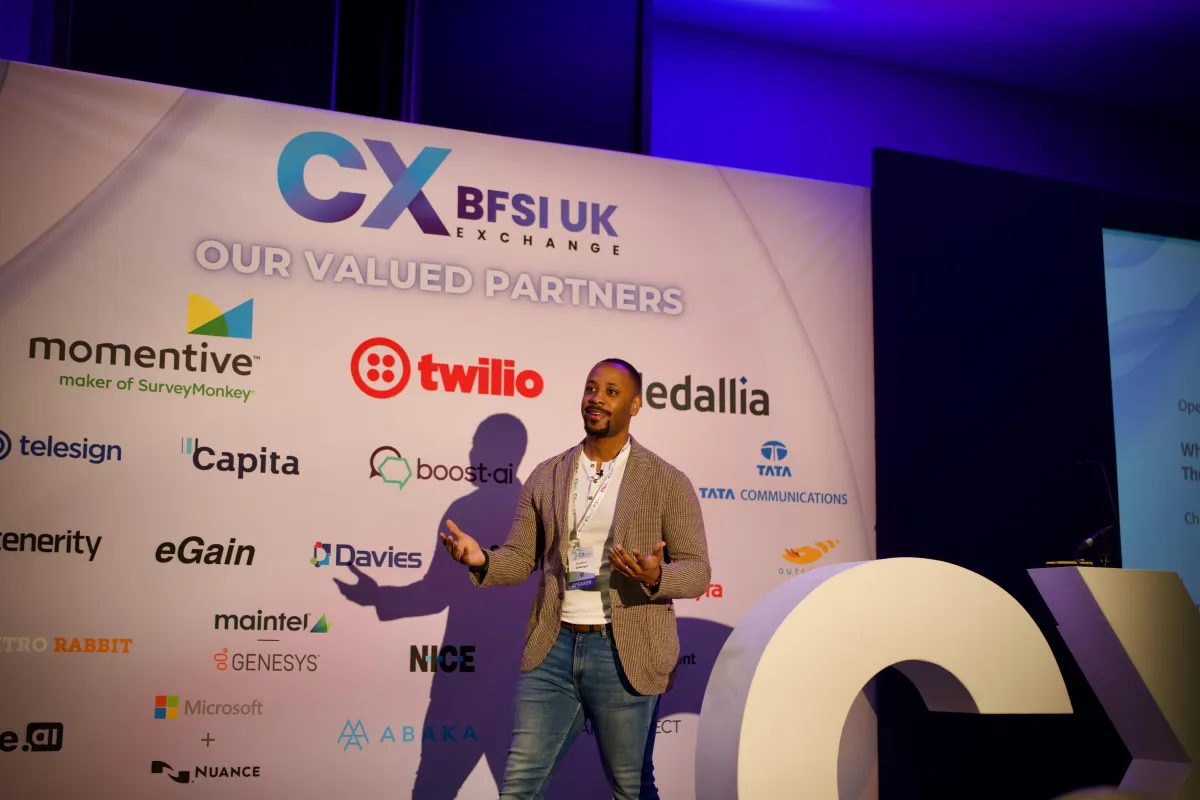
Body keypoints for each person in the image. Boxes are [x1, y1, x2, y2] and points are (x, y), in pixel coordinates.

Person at [439, 358, 712, 800]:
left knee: (631, 789)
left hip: (625, 654)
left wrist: (656, 574)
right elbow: (519, 559)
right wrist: (481, 559)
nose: (596, 399)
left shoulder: (666, 481)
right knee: (518, 788)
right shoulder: (547, 475)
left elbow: (697, 571)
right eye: (591, 388)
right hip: (553, 650)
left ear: (634, 405)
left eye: (611, 392)